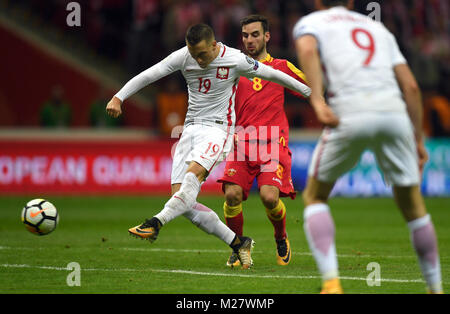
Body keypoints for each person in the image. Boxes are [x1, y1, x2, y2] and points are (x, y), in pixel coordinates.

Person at [106, 23, 311, 269]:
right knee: (182, 199)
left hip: (218, 130)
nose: (199, 60)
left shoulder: (235, 59)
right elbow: (151, 74)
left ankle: (155, 223)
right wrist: (119, 97)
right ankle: (237, 242)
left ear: (214, 45)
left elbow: (273, 75)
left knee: (193, 179)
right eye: (194, 55)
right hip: (190, 129)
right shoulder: (184, 56)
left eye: (203, 54)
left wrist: (310, 93)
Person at [293, 0, 443, 294]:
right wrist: (418, 139)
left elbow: (308, 51)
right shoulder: (378, 28)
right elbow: (411, 86)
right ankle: (435, 288)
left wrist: (317, 101)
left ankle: (332, 284)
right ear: (350, 2)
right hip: (394, 114)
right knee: (414, 208)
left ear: (317, 2)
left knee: (315, 196)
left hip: (348, 112)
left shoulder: (311, 22)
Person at [218, 15, 308, 267]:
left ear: (267, 36)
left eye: (255, 34)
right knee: (232, 195)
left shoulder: (281, 67)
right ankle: (238, 246)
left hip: (272, 144)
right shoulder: (232, 67)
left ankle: (281, 237)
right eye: (245, 35)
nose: (249, 40)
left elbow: (310, 86)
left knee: (269, 197)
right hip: (241, 143)